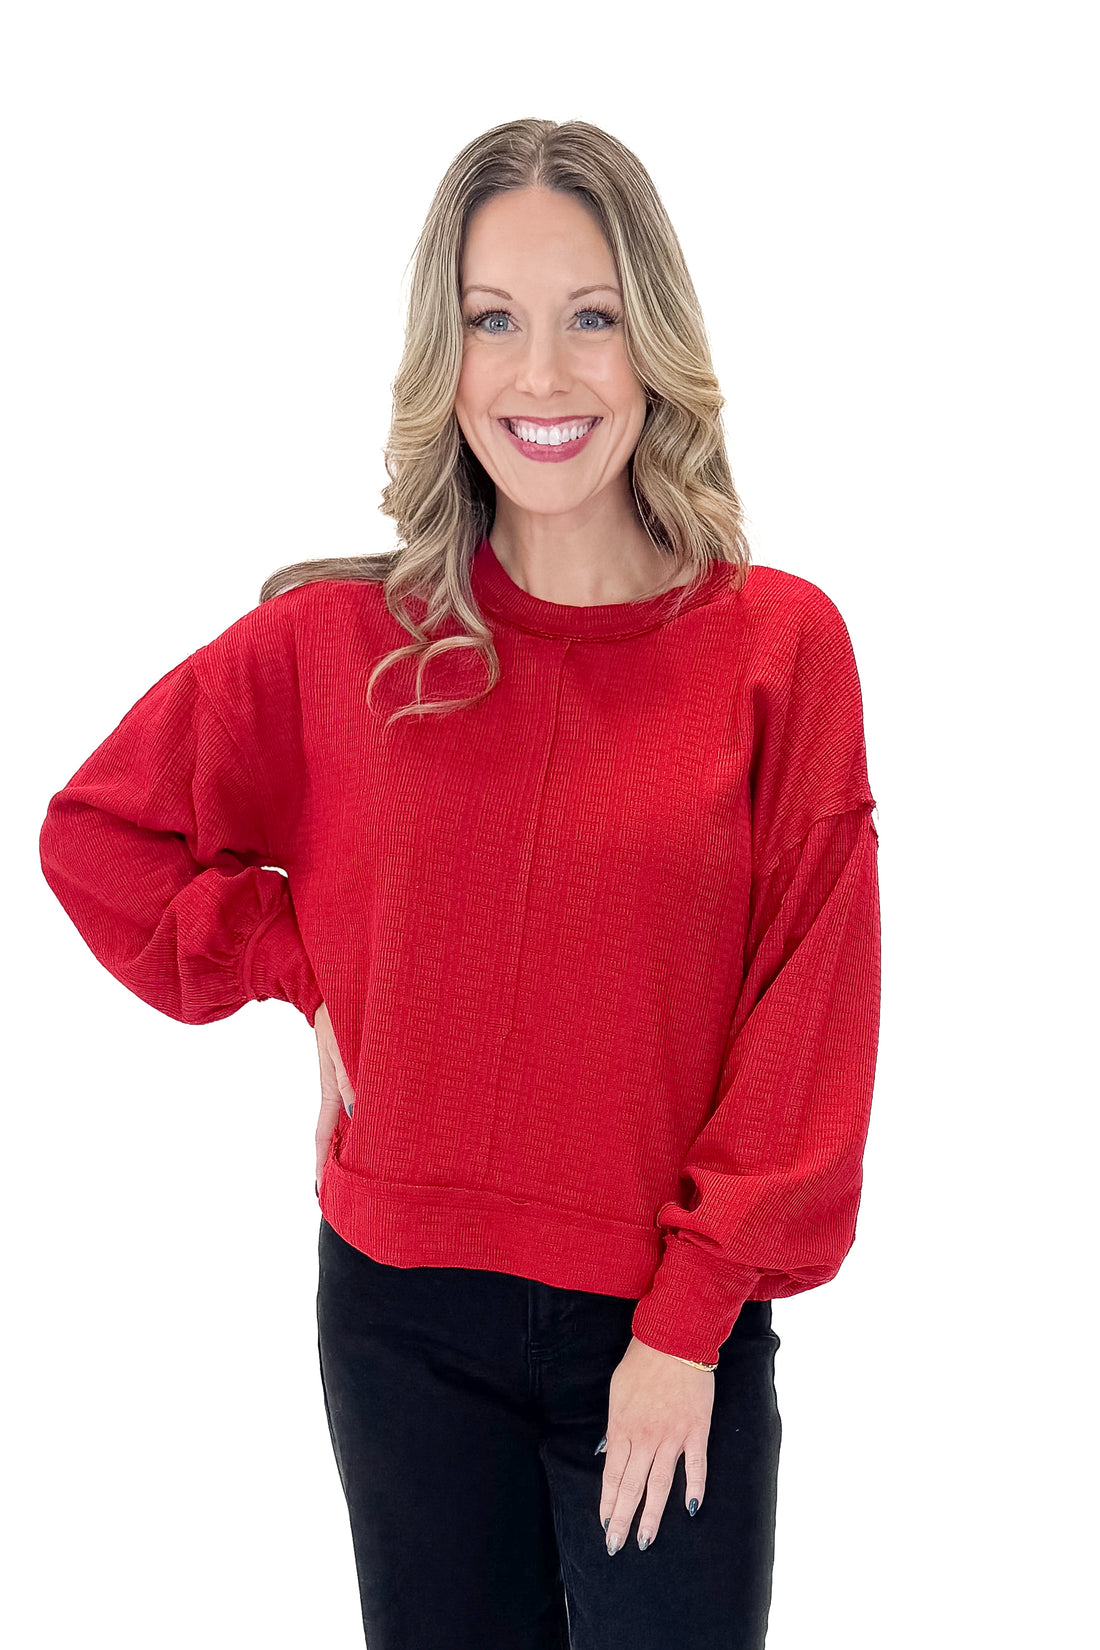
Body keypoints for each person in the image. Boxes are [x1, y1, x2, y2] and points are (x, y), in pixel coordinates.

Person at [38, 118, 881, 1650]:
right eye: (495, 319)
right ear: (447, 352)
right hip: (401, 1315)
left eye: (591, 316)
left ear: (656, 344)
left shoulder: (779, 650)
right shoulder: (339, 648)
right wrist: (310, 965)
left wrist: (685, 1325)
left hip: (661, 1326)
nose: (542, 377)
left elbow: (810, 1008)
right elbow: (100, 835)